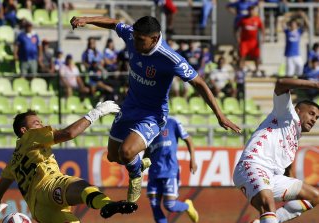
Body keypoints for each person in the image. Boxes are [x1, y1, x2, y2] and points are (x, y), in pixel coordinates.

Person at [70, 15, 241, 203]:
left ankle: (135, 176)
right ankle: (139, 164)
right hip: (129, 107)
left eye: (140, 40)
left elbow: (199, 82)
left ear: (154, 38)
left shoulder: (171, 58)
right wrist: (86, 19)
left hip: (152, 115)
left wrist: (220, 115)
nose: (134, 42)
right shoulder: (132, 35)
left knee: (126, 152)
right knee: (113, 156)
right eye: (134, 37)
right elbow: (113, 23)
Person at [0, 102, 139, 223]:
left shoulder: (12, 161)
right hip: (49, 186)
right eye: (36, 123)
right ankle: (107, 205)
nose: (41, 125)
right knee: (82, 186)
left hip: (41, 212)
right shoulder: (31, 136)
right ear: (23, 131)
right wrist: (97, 113)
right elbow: (69, 133)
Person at [233, 78, 319, 223]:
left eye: (317, 118)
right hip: (252, 165)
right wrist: (314, 85)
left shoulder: (294, 136)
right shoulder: (286, 113)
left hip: (272, 176)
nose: (314, 119)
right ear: (298, 110)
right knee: (267, 201)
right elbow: (280, 83)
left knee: (314, 197)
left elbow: (285, 166)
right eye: (312, 113)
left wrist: (288, 177)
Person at [144, 116, 199, 223]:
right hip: (153, 171)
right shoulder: (148, 126)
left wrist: (193, 160)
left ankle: (187, 206)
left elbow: (189, 140)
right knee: (154, 204)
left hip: (170, 170)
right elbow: (147, 150)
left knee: (169, 205)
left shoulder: (172, 122)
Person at [235, 5, 265, 76]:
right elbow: (236, 29)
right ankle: (241, 70)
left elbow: (262, 29)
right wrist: (237, 38)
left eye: (252, 10)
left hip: (253, 42)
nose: (251, 12)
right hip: (244, 41)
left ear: (254, 11)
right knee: (242, 56)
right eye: (250, 10)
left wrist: (263, 38)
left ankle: (257, 70)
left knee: (256, 57)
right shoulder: (243, 20)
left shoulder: (257, 19)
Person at [282, 11, 309, 77]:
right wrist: (289, 15)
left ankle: (298, 80)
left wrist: (304, 16)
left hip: (297, 54)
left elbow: (307, 26)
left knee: (300, 66)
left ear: (297, 25)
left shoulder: (299, 31)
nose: (293, 25)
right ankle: (289, 85)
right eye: (291, 24)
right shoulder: (287, 31)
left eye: (294, 24)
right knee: (289, 72)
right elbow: (282, 23)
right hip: (289, 55)